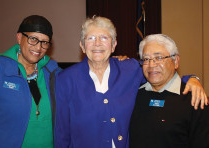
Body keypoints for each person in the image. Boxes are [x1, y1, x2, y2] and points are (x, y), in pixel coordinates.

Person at [54, 16, 207, 148]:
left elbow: (159, 73)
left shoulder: (130, 69)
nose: (97, 43)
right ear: (82, 45)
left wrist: (191, 79)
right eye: (91, 38)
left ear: (114, 45)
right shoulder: (65, 79)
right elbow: (62, 133)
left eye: (104, 38)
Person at [0, 15, 61, 148]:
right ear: (19, 38)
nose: (38, 48)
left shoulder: (54, 72)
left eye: (44, 42)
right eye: (33, 39)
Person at [129, 34, 209, 148]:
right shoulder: (134, 95)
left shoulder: (195, 99)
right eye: (146, 59)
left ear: (175, 61)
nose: (151, 65)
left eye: (159, 57)